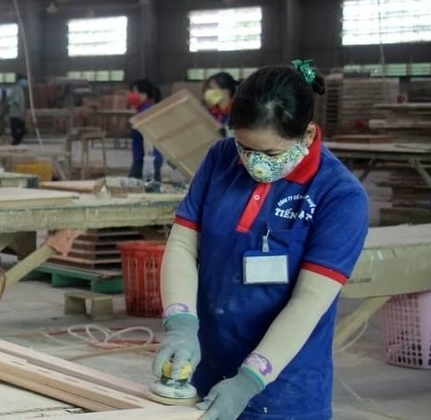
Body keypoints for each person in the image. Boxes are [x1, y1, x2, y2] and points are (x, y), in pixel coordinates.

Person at [153, 60, 369, 419]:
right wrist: (181, 325)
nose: (254, 164)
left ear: (307, 135)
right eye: (245, 148)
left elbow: (308, 303)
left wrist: (250, 380)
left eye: (269, 154)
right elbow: (183, 246)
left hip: (284, 390)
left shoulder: (339, 196)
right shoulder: (220, 159)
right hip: (205, 372)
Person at [127, 78, 164, 183]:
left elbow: (149, 138)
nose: (132, 95)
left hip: (146, 160)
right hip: (147, 159)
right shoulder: (143, 110)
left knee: (133, 190)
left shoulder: (146, 112)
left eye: (135, 92)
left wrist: (148, 162)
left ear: (145, 95)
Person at [202, 72, 238, 136]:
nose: (208, 92)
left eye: (212, 88)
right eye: (208, 89)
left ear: (226, 90)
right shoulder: (209, 113)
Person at [7, 74, 28, 145]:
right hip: (15, 115)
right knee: (15, 131)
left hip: (19, 114)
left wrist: (23, 113)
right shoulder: (16, 89)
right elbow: (16, 103)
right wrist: (21, 114)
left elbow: (21, 103)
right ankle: (15, 143)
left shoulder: (21, 90)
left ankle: (16, 142)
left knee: (23, 130)